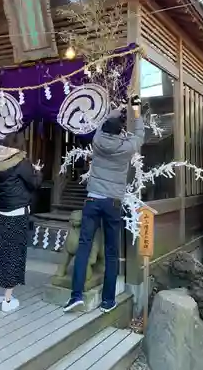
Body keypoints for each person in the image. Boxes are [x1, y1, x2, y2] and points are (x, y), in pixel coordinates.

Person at [63, 95, 145, 314]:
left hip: (92, 199)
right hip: (113, 203)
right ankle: (108, 301)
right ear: (120, 132)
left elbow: (102, 124)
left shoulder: (97, 140)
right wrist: (135, 110)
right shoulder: (127, 147)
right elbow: (139, 134)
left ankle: (76, 297)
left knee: (84, 247)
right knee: (111, 252)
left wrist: (117, 110)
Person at [0, 132, 42, 312]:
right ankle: (8, 299)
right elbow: (34, 184)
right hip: (17, 213)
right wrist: (37, 171)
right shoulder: (21, 162)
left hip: (0, 210)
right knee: (15, 254)